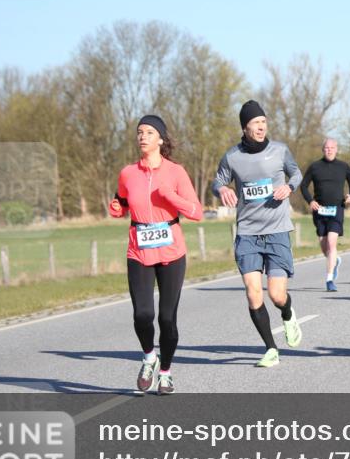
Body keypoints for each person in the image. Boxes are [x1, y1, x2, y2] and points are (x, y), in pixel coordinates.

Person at [109, 115, 203, 395]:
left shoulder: (176, 172)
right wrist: (117, 207)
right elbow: (122, 201)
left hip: (172, 251)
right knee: (142, 314)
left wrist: (169, 197)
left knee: (166, 319)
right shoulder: (128, 173)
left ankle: (165, 372)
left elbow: (196, 212)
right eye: (140, 132)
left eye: (149, 132)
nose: (143, 136)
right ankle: (150, 357)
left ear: (161, 139)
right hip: (139, 250)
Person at [212, 101, 304, 368]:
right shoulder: (232, 157)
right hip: (248, 233)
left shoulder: (279, 151)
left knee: (276, 295)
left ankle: (287, 313)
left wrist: (289, 188)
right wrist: (222, 190)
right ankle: (271, 349)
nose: (261, 126)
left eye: (264, 121)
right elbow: (217, 181)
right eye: (255, 122)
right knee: (253, 293)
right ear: (245, 127)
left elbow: (296, 173)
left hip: (276, 231)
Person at [300, 138, 350, 292]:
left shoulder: (343, 166)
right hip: (320, 211)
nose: (329, 150)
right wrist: (310, 201)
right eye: (327, 148)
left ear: (336, 149)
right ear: (323, 150)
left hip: (337, 209)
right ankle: (335, 260)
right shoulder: (315, 167)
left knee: (331, 242)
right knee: (323, 244)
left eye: (332, 148)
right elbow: (303, 186)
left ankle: (329, 279)